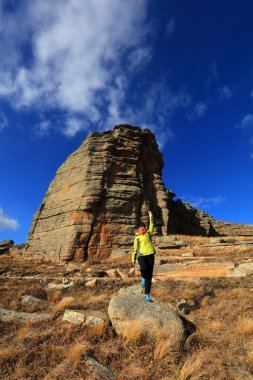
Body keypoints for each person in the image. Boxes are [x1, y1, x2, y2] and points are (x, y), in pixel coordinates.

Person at [132, 210, 155, 302]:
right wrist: (133, 258)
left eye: (143, 228)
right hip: (141, 256)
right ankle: (143, 277)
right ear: (138, 230)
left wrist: (150, 215)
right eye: (140, 228)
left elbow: (152, 224)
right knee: (144, 268)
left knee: (149, 276)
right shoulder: (137, 237)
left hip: (151, 255)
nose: (142, 229)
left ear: (145, 228)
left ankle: (147, 294)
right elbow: (134, 249)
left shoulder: (148, 233)